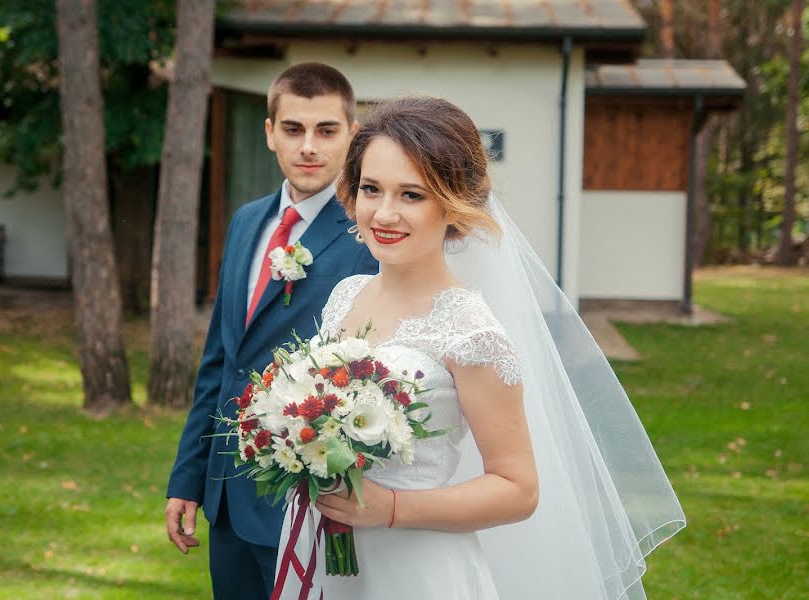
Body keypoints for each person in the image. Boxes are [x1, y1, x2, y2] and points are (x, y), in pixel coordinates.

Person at [272, 96, 685, 599]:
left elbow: (518, 489)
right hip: (325, 556)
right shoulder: (345, 295)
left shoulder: (471, 332)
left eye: (412, 195)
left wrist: (392, 509)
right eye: (371, 189)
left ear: (453, 204)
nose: (384, 213)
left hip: (415, 568)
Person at [164, 63, 378, 600]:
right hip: (226, 499)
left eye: (326, 130)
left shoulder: (368, 234)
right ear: (269, 133)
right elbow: (221, 359)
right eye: (293, 129)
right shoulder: (246, 221)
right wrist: (188, 479)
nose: (308, 146)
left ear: (352, 136)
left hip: (309, 497)